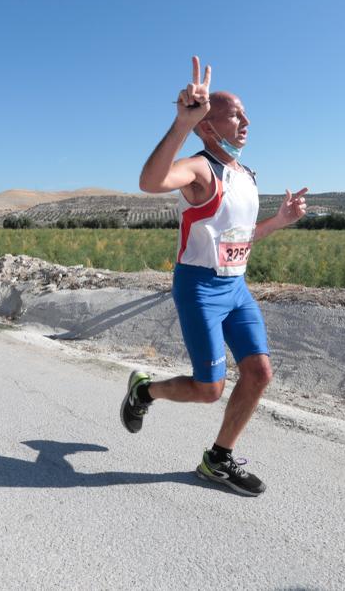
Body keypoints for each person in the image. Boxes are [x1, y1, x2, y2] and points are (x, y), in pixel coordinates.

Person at [121, 56, 307, 496]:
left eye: (244, 113)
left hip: (236, 286)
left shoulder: (245, 175)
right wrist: (183, 122)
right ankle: (145, 392)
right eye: (234, 114)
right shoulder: (200, 168)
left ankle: (217, 460)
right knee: (209, 390)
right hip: (200, 287)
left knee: (259, 373)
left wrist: (278, 221)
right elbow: (151, 181)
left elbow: (240, 238)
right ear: (209, 126)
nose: (246, 121)